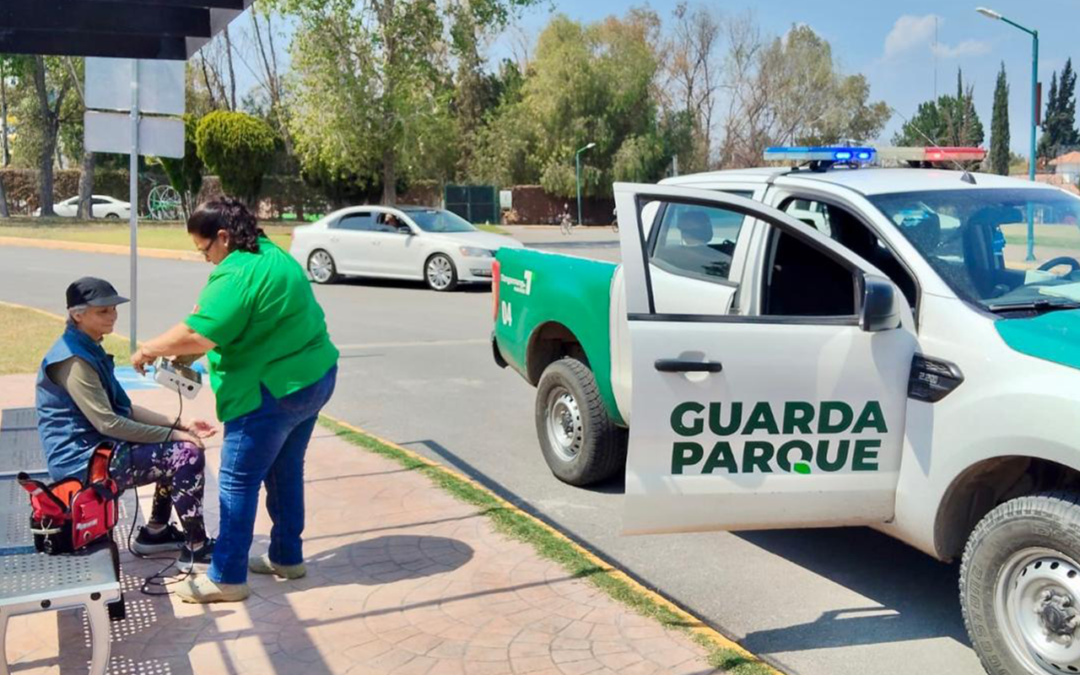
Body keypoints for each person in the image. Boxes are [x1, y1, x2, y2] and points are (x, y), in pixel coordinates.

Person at [132, 198, 339, 604]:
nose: (206, 260)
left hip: (271, 392)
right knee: (284, 470)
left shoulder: (236, 273)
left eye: (204, 250)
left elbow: (199, 334)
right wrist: (193, 348)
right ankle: (286, 557)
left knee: (236, 481)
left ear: (223, 237)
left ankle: (227, 577)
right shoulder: (273, 256)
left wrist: (149, 349)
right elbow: (246, 323)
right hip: (314, 379)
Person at [36, 277, 214, 567]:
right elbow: (109, 423)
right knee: (185, 453)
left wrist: (181, 424)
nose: (113, 316)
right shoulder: (73, 359)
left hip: (99, 450)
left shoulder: (88, 346)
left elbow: (126, 410)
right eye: (102, 311)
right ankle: (197, 548)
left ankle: (155, 533)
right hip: (81, 463)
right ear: (77, 314)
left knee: (178, 446)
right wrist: (174, 437)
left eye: (113, 309)